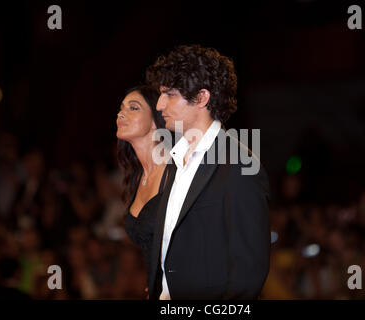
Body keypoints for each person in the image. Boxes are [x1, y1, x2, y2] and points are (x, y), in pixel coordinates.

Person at [145, 45, 271, 300]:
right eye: (160, 94)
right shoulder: (174, 161)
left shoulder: (239, 164)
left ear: (202, 98)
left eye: (169, 94)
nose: (159, 105)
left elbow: (248, 275)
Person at [116, 85, 171, 294]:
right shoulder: (137, 177)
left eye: (133, 108)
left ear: (156, 121)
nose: (121, 113)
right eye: (121, 108)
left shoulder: (176, 172)